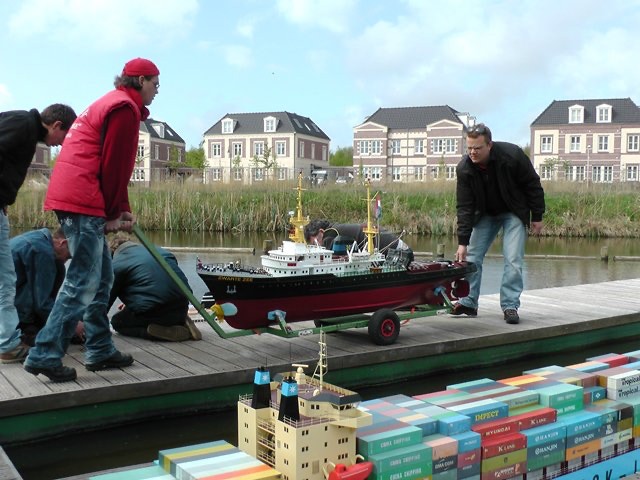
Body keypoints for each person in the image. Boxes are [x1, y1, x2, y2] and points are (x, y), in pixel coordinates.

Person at [24, 58, 160, 382]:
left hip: (75, 194)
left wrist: (120, 207)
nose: (157, 91)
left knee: (101, 277)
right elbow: (113, 165)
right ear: (140, 80)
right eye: (155, 84)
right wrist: (111, 214)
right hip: (81, 198)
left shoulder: (112, 103)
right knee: (82, 281)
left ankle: (99, 348)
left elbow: (117, 167)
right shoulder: (123, 108)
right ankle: (45, 354)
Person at [0, 104, 77, 364]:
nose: (59, 145)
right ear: (56, 125)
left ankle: (7, 343)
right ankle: (7, 345)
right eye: (63, 138)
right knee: (5, 282)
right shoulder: (23, 124)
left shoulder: (25, 128)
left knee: (6, 280)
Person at [451, 123, 545, 324]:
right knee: (471, 257)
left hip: (513, 211)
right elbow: (464, 207)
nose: (472, 153)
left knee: (513, 259)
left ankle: (510, 305)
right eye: (469, 148)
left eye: (477, 148)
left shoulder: (512, 156)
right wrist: (462, 242)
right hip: (485, 214)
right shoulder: (464, 168)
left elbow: (533, 185)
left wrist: (537, 216)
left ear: (489, 145)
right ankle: (469, 302)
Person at [108, 234, 201, 342]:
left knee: (117, 322)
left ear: (112, 252)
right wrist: (132, 302)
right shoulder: (159, 251)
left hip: (155, 313)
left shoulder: (117, 263)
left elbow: (104, 301)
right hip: (182, 306)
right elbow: (160, 281)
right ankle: (182, 321)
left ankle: (156, 332)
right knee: (163, 307)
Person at [10, 227, 84, 346]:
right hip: (6, 307)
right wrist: (70, 323)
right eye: (68, 256)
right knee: (58, 267)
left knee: (58, 267)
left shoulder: (41, 238)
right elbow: (42, 303)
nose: (66, 261)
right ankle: (27, 330)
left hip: (10, 294)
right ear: (63, 243)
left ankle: (39, 325)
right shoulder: (43, 252)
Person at [303, 220, 413, 261]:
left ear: (321, 232)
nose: (318, 246)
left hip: (397, 253)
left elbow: (328, 257)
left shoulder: (330, 234)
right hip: (401, 247)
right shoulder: (336, 228)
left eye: (315, 243)